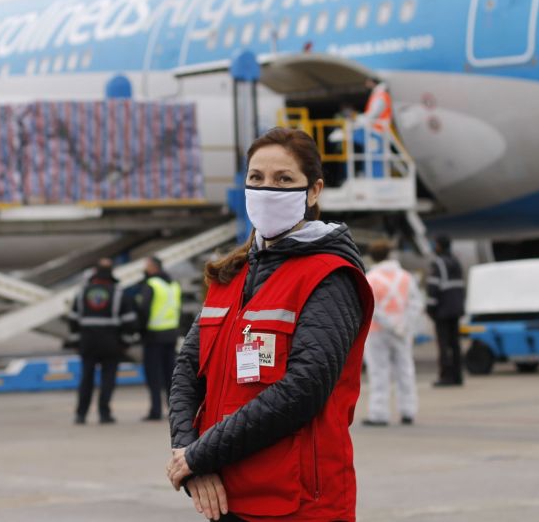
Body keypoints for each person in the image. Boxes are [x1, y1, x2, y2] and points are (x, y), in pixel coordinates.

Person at [166, 128, 374, 522]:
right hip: (224, 497)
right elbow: (186, 371)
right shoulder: (230, 276)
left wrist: (199, 455)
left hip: (298, 504)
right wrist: (190, 456)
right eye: (256, 178)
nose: (267, 189)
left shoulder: (329, 277)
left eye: (283, 180)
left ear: (313, 192)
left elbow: (304, 389)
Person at [67, 257, 138, 425]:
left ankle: (81, 414)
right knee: (108, 379)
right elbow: (130, 322)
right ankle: (104, 414)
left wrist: (77, 342)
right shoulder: (119, 293)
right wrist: (125, 343)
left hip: (88, 342)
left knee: (86, 379)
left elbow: (73, 320)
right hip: (110, 343)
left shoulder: (82, 292)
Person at [362, 240, 424, 427]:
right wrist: (404, 325)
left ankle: (379, 413)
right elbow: (416, 303)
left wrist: (390, 324)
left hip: (377, 332)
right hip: (402, 332)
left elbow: (371, 307)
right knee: (405, 370)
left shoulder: (371, 278)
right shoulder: (405, 277)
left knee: (379, 372)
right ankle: (408, 411)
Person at [135, 256, 182, 422]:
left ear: (153, 268)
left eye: (146, 266)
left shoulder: (151, 284)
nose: (144, 269)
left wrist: (140, 331)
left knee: (153, 375)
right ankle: (174, 410)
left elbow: (144, 310)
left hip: (154, 336)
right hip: (171, 335)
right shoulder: (173, 284)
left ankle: (155, 410)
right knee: (170, 375)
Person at [426, 235, 466, 387]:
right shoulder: (456, 261)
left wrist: (430, 308)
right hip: (456, 308)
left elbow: (433, 287)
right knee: (455, 343)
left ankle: (446, 376)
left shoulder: (438, 263)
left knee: (443, 344)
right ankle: (458, 376)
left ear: (439, 246)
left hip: (443, 309)